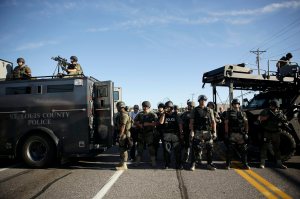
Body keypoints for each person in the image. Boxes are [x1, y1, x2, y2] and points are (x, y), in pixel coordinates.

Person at [189, 95, 217, 171]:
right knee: (195, 148)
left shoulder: (209, 110)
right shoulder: (195, 110)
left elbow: (213, 122)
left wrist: (214, 132)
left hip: (207, 132)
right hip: (197, 131)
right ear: (199, 101)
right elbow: (191, 122)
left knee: (209, 148)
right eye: (201, 100)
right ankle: (193, 164)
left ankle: (209, 164)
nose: (203, 101)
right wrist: (192, 131)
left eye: (204, 100)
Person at [259, 100, 287, 169]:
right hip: (267, 132)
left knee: (277, 148)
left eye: (274, 106)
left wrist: (282, 119)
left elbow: (285, 120)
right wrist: (267, 118)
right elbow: (260, 118)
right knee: (264, 147)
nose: (272, 107)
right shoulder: (266, 111)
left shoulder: (280, 112)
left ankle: (279, 163)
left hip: (276, 132)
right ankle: (262, 163)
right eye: (272, 106)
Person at [224, 99, 250, 170]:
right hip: (232, 134)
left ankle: (245, 164)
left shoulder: (243, 113)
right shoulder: (229, 113)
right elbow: (226, 123)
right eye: (234, 104)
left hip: (241, 134)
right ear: (232, 105)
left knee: (244, 149)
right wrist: (226, 133)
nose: (236, 105)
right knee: (230, 149)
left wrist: (246, 132)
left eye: (237, 104)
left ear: (239, 104)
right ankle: (228, 164)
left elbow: (246, 123)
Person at [159, 101, 184, 169]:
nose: (167, 108)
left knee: (177, 151)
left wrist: (181, 134)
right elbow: (161, 122)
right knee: (167, 151)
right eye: (166, 107)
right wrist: (164, 113)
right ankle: (167, 164)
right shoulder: (164, 115)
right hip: (166, 135)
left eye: (168, 107)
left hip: (175, 135)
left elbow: (180, 125)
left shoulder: (176, 115)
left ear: (171, 108)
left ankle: (179, 164)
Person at [134, 101, 158, 167]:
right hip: (141, 133)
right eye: (143, 107)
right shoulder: (140, 114)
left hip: (149, 133)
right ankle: (137, 161)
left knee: (151, 148)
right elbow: (134, 121)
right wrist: (139, 124)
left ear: (149, 107)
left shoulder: (153, 114)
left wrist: (148, 124)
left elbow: (157, 123)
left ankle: (153, 161)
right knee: (139, 148)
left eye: (146, 107)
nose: (144, 108)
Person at [115, 101, 132, 170]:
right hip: (123, 133)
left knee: (123, 149)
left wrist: (120, 135)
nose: (117, 108)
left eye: (117, 107)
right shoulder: (121, 114)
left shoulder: (124, 115)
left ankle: (124, 164)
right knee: (121, 148)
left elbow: (123, 126)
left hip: (124, 134)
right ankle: (122, 162)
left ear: (120, 107)